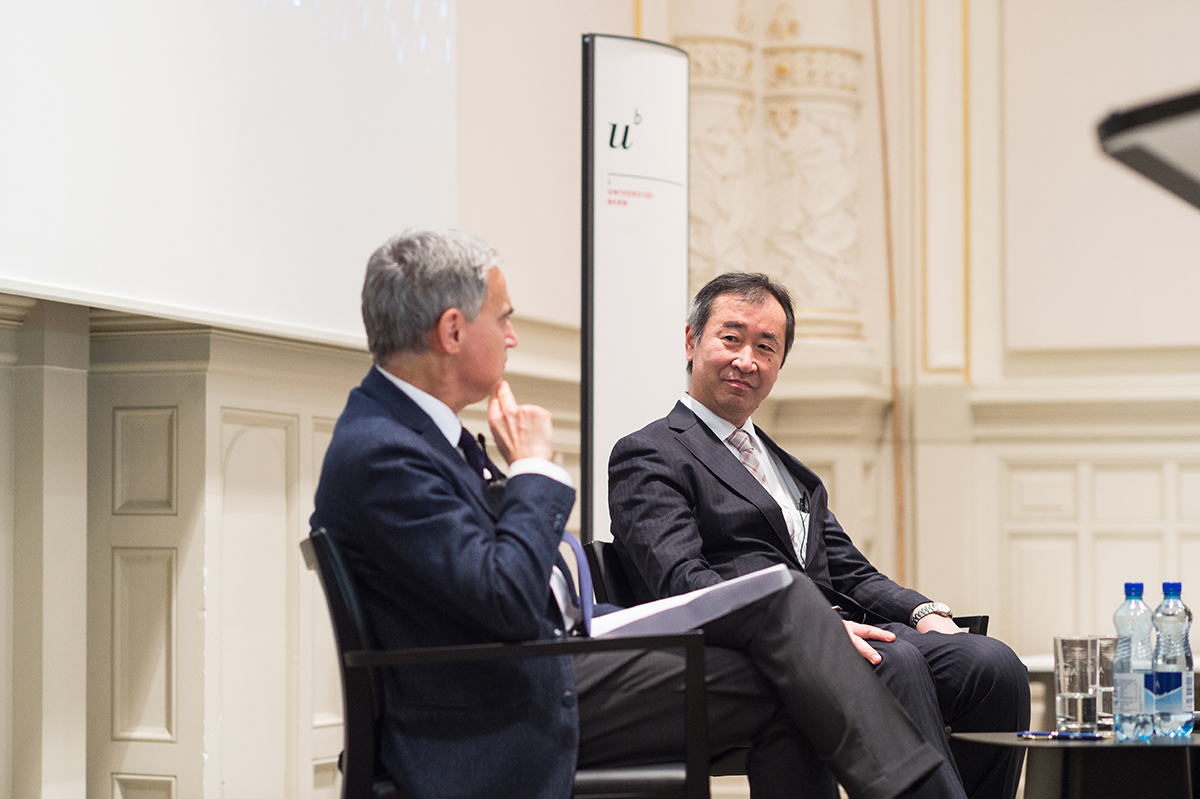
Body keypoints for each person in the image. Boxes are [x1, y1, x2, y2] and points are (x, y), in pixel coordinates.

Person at [312, 230, 974, 799]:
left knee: (793, 648)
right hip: (488, 705)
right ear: (453, 331)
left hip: (537, 663)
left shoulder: (417, 431)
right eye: (503, 318)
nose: (514, 337)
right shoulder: (384, 450)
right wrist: (536, 470)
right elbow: (506, 594)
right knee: (790, 634)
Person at [608, 271, 1031, 799]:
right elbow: (682, 582)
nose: (747, 361)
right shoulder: (649, 454)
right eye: (732, 338)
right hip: (744, 651)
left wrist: (924, 612)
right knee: (891, 662)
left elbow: (850, 572)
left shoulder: (788, 469)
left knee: (992, 665)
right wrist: (812, 630)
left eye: (767, 347)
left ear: (779, 366)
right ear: (693, 342)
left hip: (830, 633)